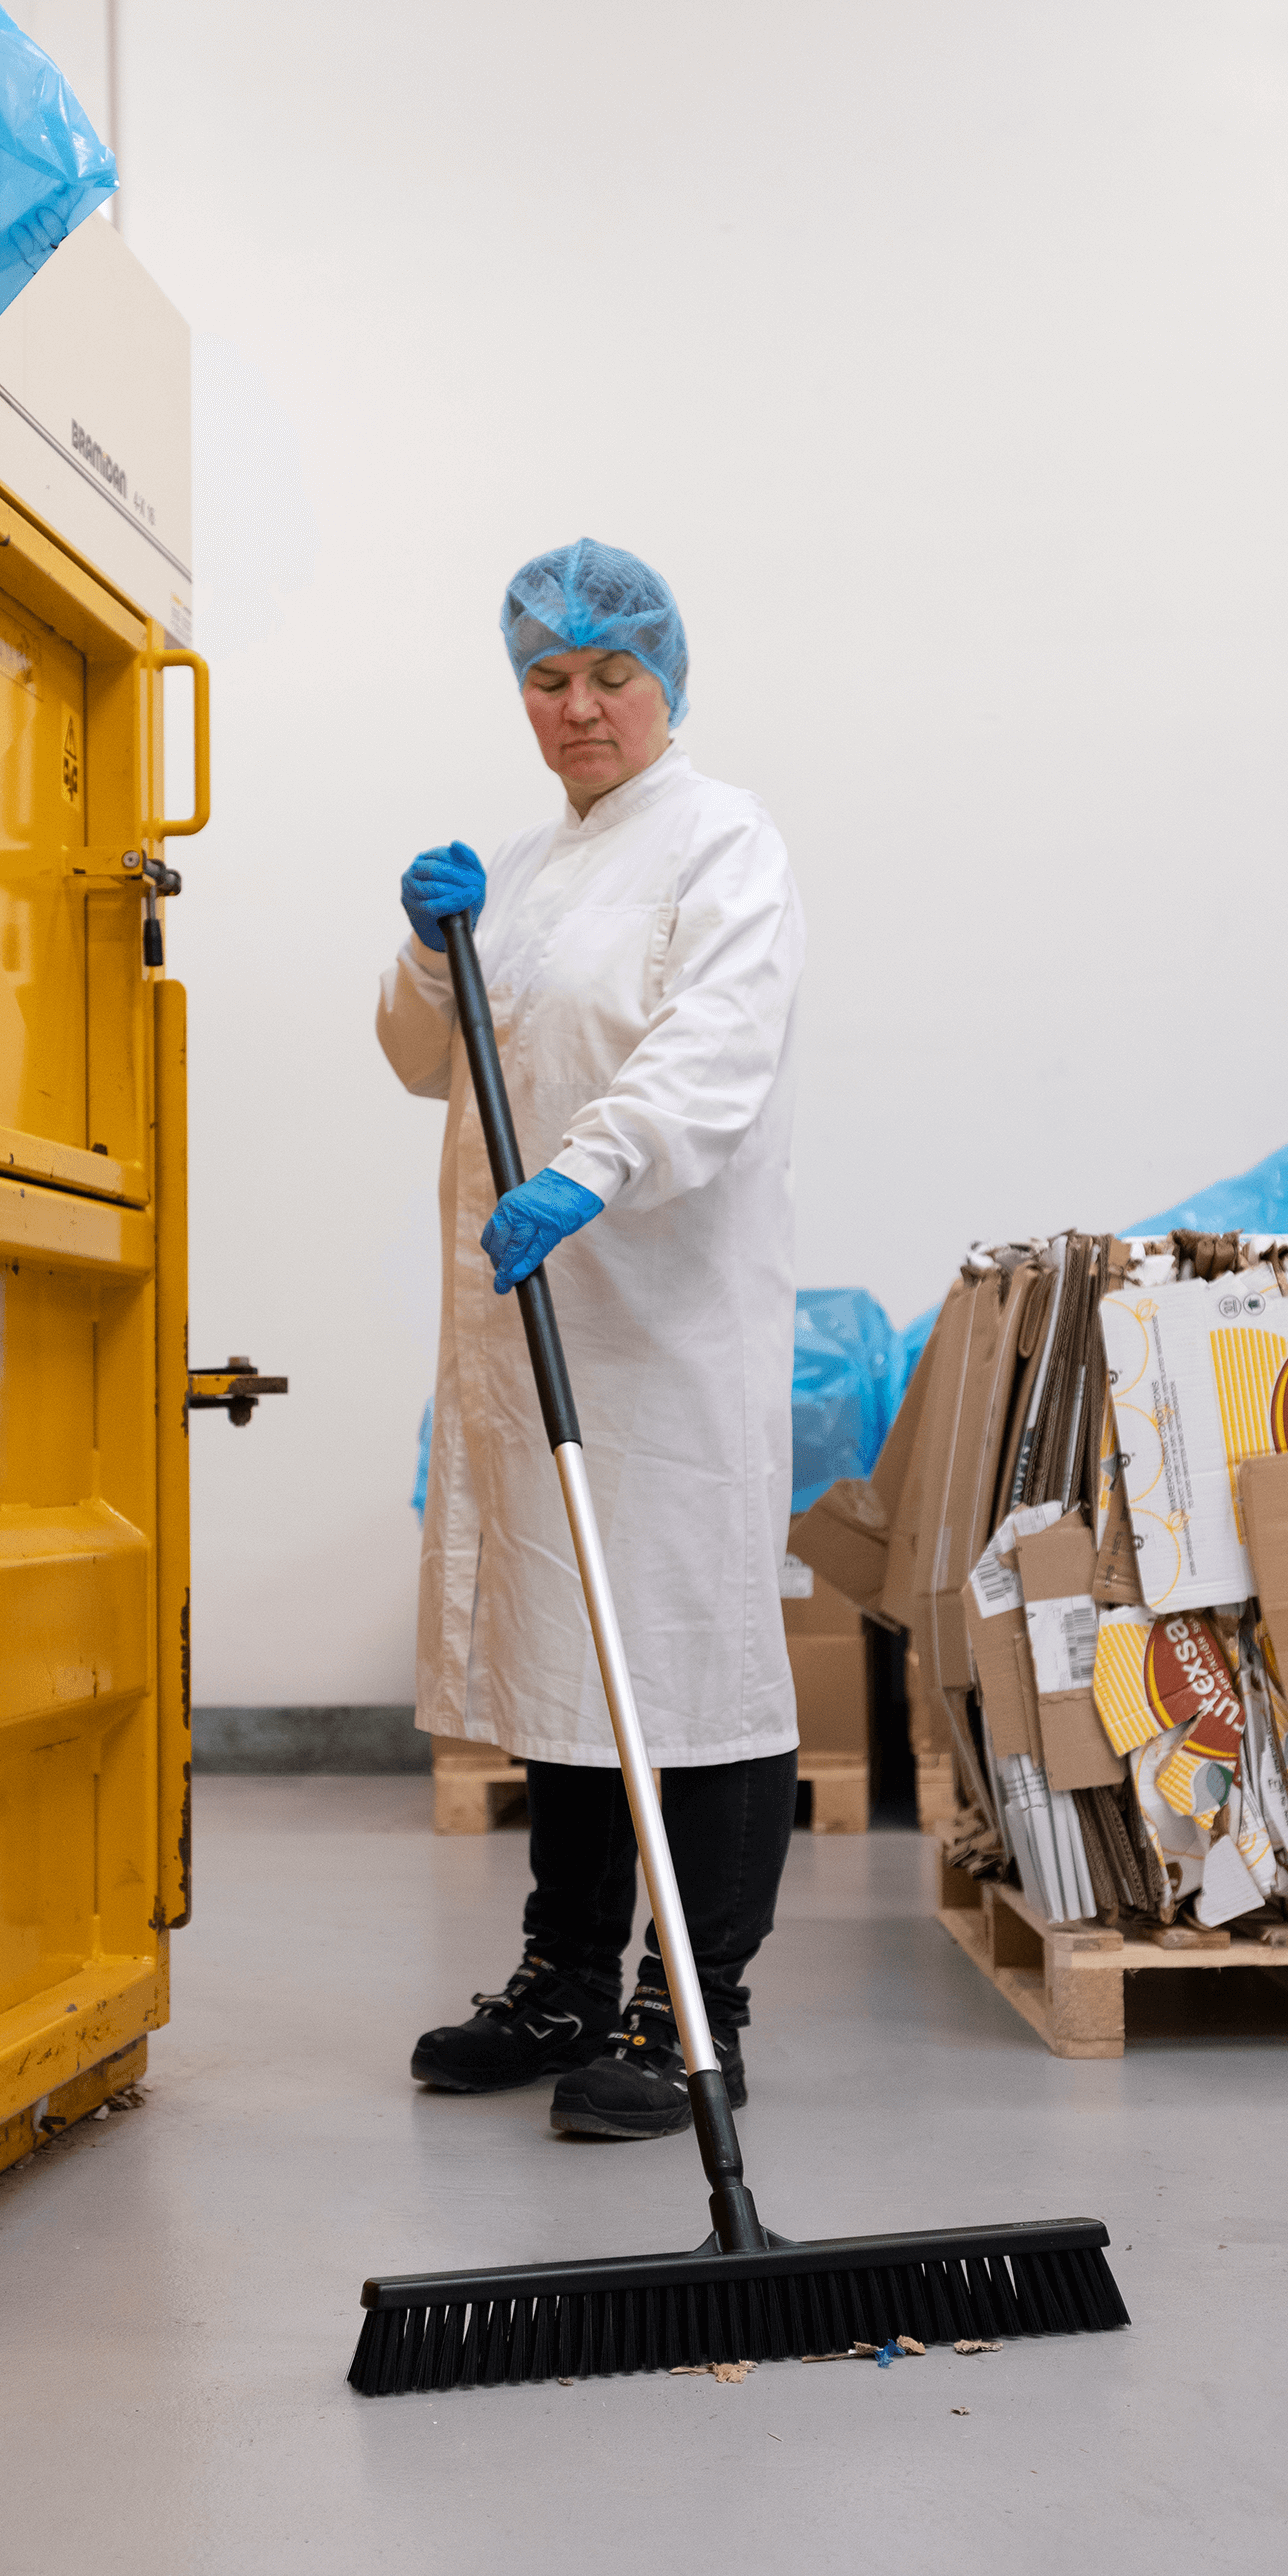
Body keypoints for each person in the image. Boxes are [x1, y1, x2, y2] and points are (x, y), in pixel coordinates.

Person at [377, 538, 806, 2140]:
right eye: (547, 681)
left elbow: (717, 1051)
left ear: (666, 682)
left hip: (665, 1325)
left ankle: (696, 2008)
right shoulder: (530, 865)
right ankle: (564, 1980)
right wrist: (434, 951)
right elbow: (430, 1059)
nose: (579, 707)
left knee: (688, 1660)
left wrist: (586, 1170)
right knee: (571, 1660)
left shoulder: (725, 846)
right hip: (533, 1319)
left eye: (609, 676)